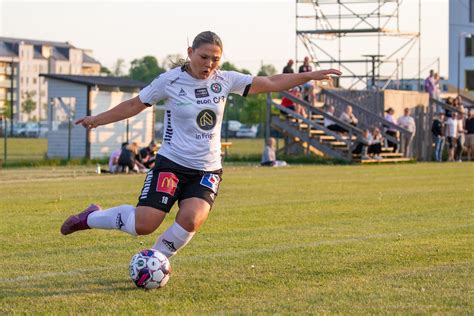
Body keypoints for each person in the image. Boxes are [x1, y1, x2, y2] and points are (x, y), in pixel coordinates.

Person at [60, 31, 342, 260]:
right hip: (171, 163)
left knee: (192, 219)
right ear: (190, 53)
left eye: (215, 59)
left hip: (207, 169)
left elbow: (270, 81)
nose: (209, 64)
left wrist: (308, 75)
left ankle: (155, 260)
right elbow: (134, 104)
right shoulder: (169, 81)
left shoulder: (225, 80)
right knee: (144, 224)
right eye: (204, 57)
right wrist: (97, 120)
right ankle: (91, 216)